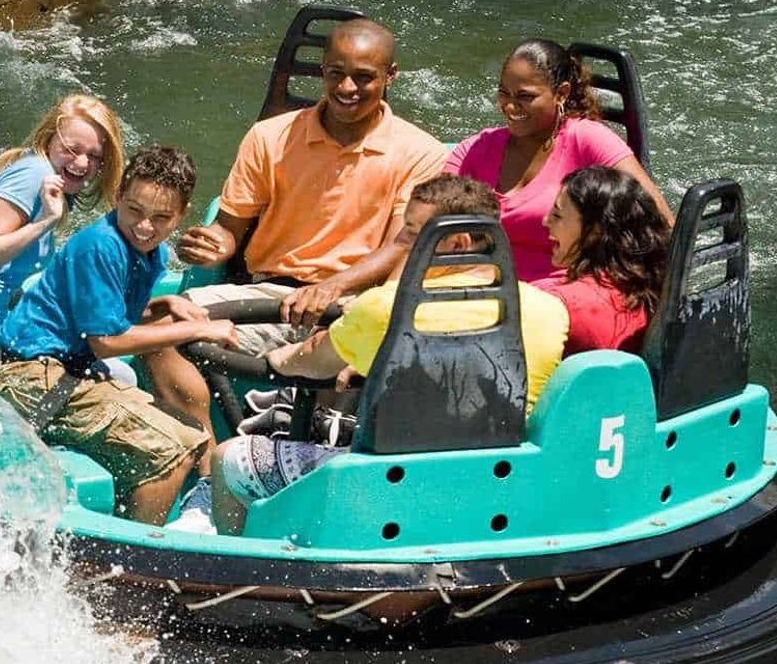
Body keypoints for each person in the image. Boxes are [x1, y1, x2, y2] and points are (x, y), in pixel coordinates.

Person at [193, 174, 571, 536]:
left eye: (413, 232)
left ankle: (242, 567)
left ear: (457, 244)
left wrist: (282, 357)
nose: (402, 241)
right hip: (490, 484)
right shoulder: (547, 310)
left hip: (386, 484)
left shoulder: (384, 309)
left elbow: (304, 363)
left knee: (229, 459)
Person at [145, 17, 448, 431]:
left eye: (363, 78)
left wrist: (333, 288)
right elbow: (230, 229)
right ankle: (206, 453)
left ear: (390, 76)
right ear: (322, 69)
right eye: (336, 74)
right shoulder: (269, 137)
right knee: (156, 328)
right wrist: (212, 242)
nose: (346, 89)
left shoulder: (421, 153)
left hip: (353, 305)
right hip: (269, 295)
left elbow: (400, 246)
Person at [0, 146, 237, 526]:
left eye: (161, 217)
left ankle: (144, 512)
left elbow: (114, 317)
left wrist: (164, 305)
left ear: (182, 214)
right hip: (29, 377)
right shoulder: (100, 245)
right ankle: (138, 559)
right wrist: (200, 327)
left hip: (65, 371)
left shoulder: (151, 252)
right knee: (175, 447)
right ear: (119, 194)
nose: (145, 227)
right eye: (134, 210)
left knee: (186, 430)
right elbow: (107, 341)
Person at [444, 38, 671, 284]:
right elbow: (430, 217)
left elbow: (662, 222)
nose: (509, 106)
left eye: (524, 96)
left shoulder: (588, 139)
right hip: (478, 286)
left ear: (561, 93)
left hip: (560, 295)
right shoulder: (478, 147)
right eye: (503, 93)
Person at [0, 94, 126, 375]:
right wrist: (45, 221)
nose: (82, 164)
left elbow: (3, 277)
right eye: (72, 149)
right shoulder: (34, 175)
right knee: (112, 376)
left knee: (109, 369)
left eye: (94, 156)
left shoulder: (45, 177)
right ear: (48, 140)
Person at [536, 166, 670, 355]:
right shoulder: (654, 289)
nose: (545, 221)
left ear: (595, 231)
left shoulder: (558, 304)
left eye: (557, 215)